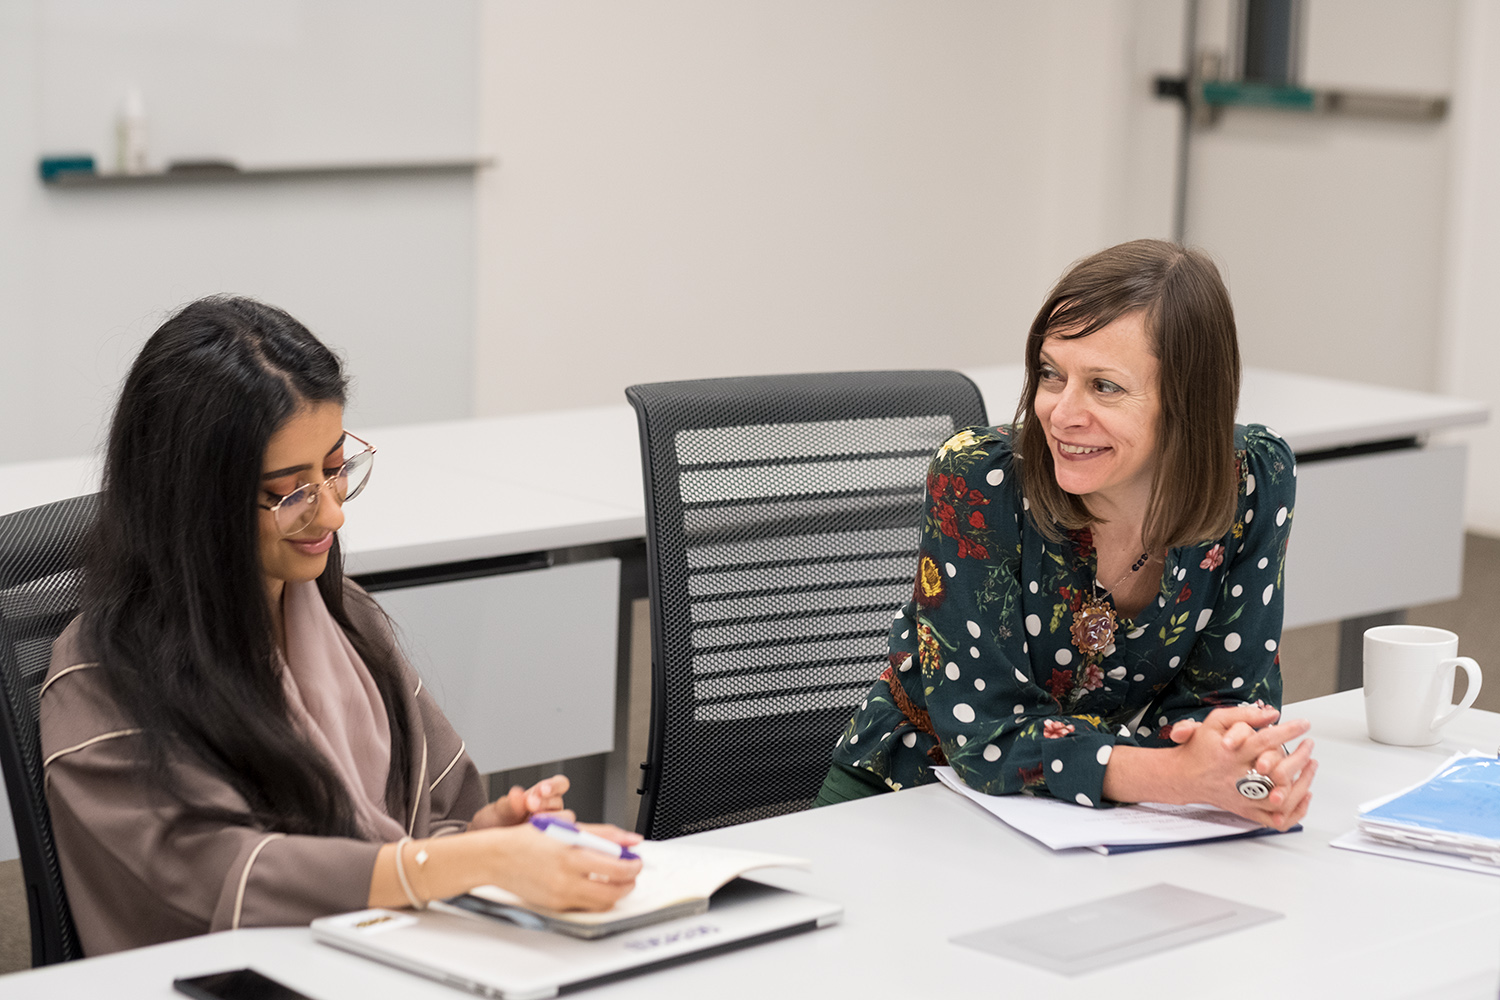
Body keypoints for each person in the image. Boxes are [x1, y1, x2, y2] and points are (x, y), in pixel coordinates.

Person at [39, 297, 642, 956]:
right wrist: (474, 864)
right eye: (292, 491)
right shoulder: (101, 679)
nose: (331, 516)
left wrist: (484, 838)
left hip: (388, 960)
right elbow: (227, 881)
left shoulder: (345, 618)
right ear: (192, 500)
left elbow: (434, 818)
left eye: (335, 470)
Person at [819, 239, 1317, 829]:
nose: (1060, 413)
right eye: (1052, 374)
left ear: (1189, 402)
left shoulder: (1253, 480)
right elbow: (988, 735)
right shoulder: (982, 481)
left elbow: (1225, 703)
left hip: (1095, 818)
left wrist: (1242, 767)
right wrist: (1179, 776)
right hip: (912, 800)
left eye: (1104, 386)